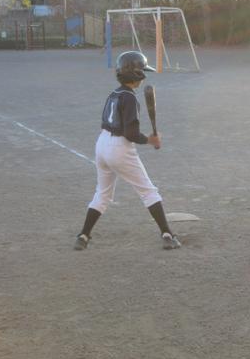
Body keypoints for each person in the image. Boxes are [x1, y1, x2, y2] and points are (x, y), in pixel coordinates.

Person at [74, 51, 181, 251]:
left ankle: (83, 235)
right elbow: (130, 134)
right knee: (148, 191)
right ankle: (167, 234)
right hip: (119, 148)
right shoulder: (130, 98)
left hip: (101, 144)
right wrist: (150, 140)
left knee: (102, 194)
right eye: (142, 71)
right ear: (136, 74)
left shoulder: (114, 94)